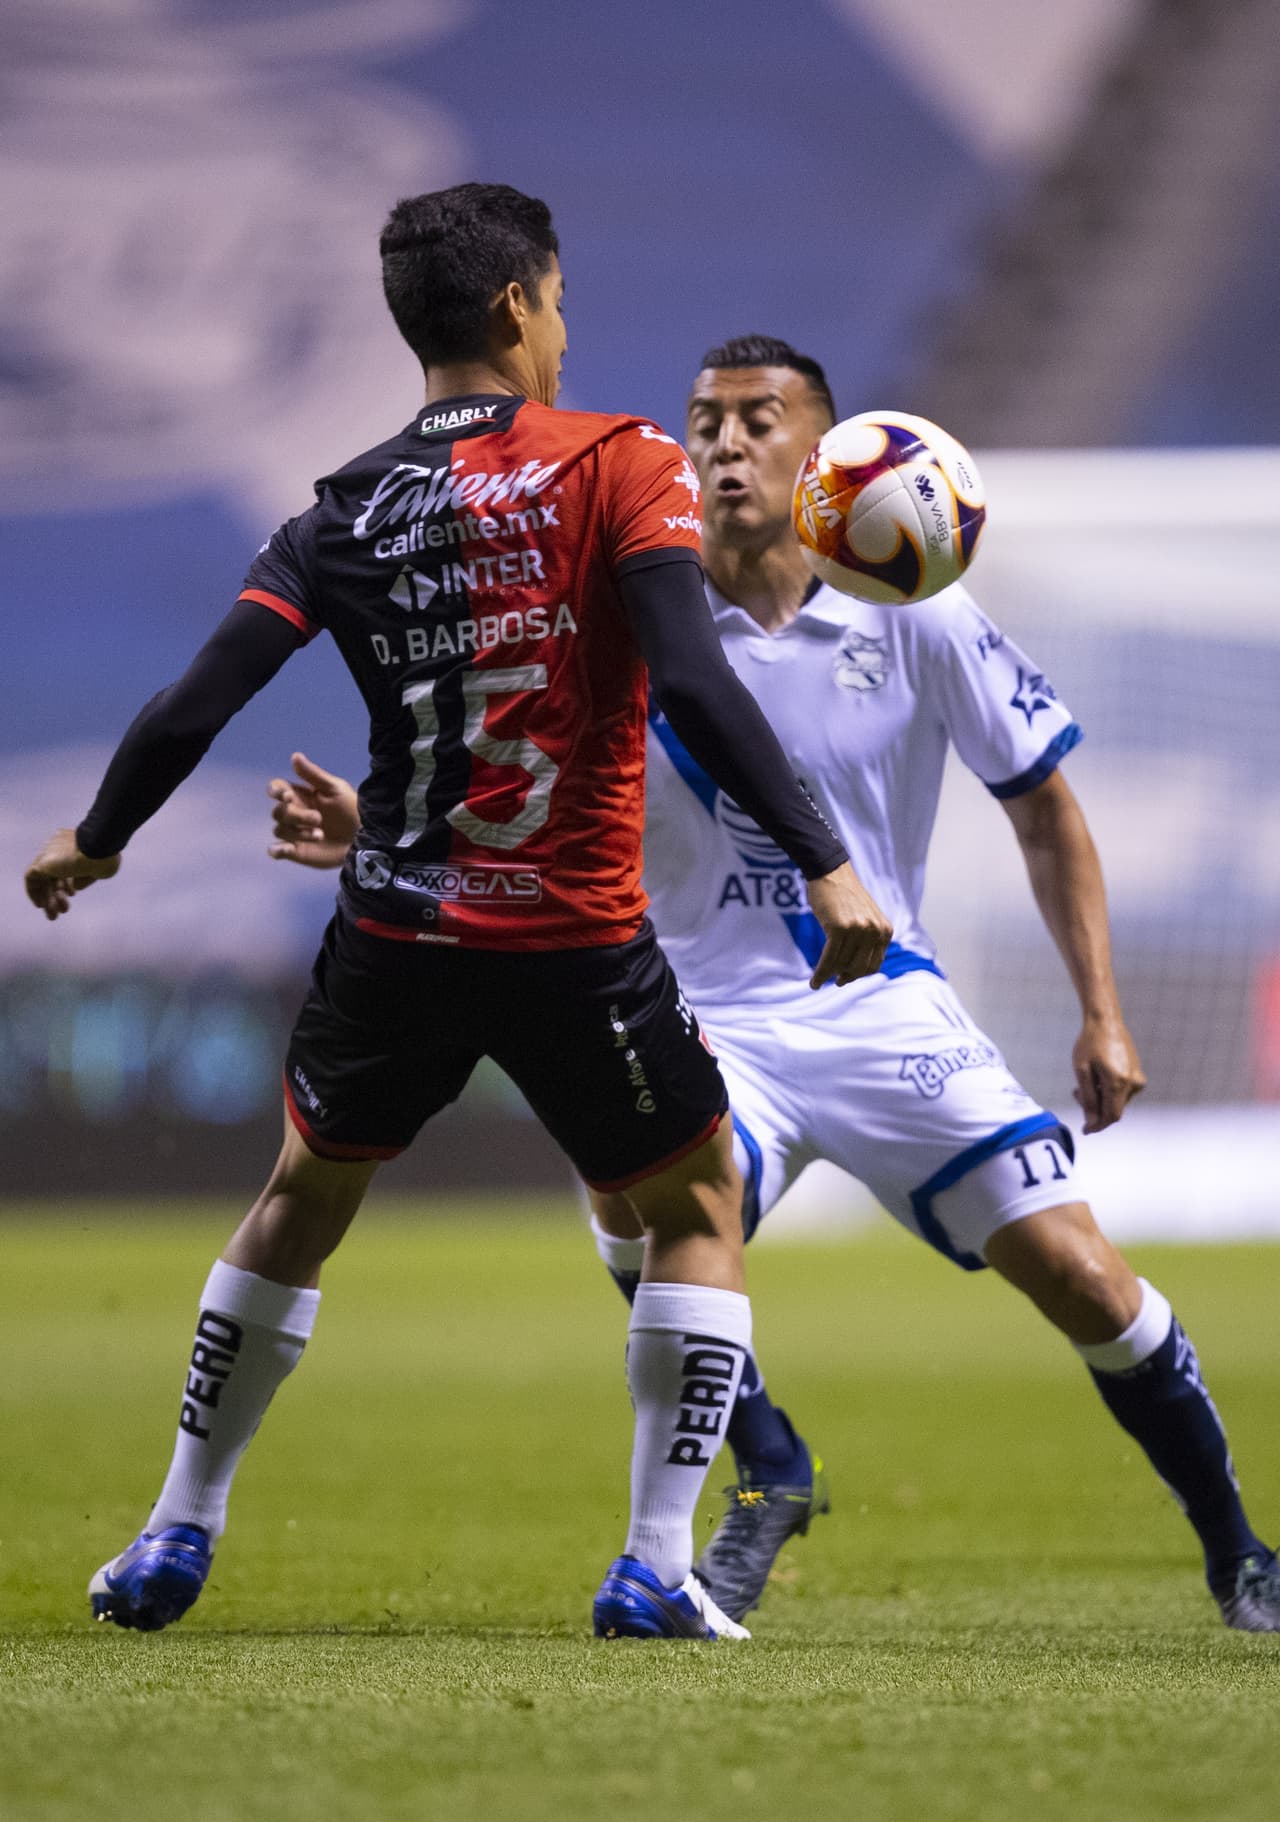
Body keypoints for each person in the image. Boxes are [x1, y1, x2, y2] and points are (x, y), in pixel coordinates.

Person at [267, 334, 1280, 1634]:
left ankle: (1239, 1550)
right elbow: (517, 781)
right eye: (706, 421)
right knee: (635, 1205)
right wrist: (377, 819)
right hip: (704, 1007)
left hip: (883, 1001)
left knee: (1080, 1275)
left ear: (827, 453)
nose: (727, 443)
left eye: (759, 420)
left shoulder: (918, 612)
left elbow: (1045, 810)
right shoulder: (635, 616)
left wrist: (1101, 1009)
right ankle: (766, 1468)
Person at [23, 196, 892, 1643]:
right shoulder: (623, 465)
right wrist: (822, 859)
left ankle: (177, 1525)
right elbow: (692, 676)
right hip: (572, 941)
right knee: (694, 1210)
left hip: (397, 936)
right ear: (512, 310)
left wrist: (96, 841)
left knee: (300, 1202)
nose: (564, 326)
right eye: (556, 302)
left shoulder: (341, 505)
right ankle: (656, 1565)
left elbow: (196, 702)